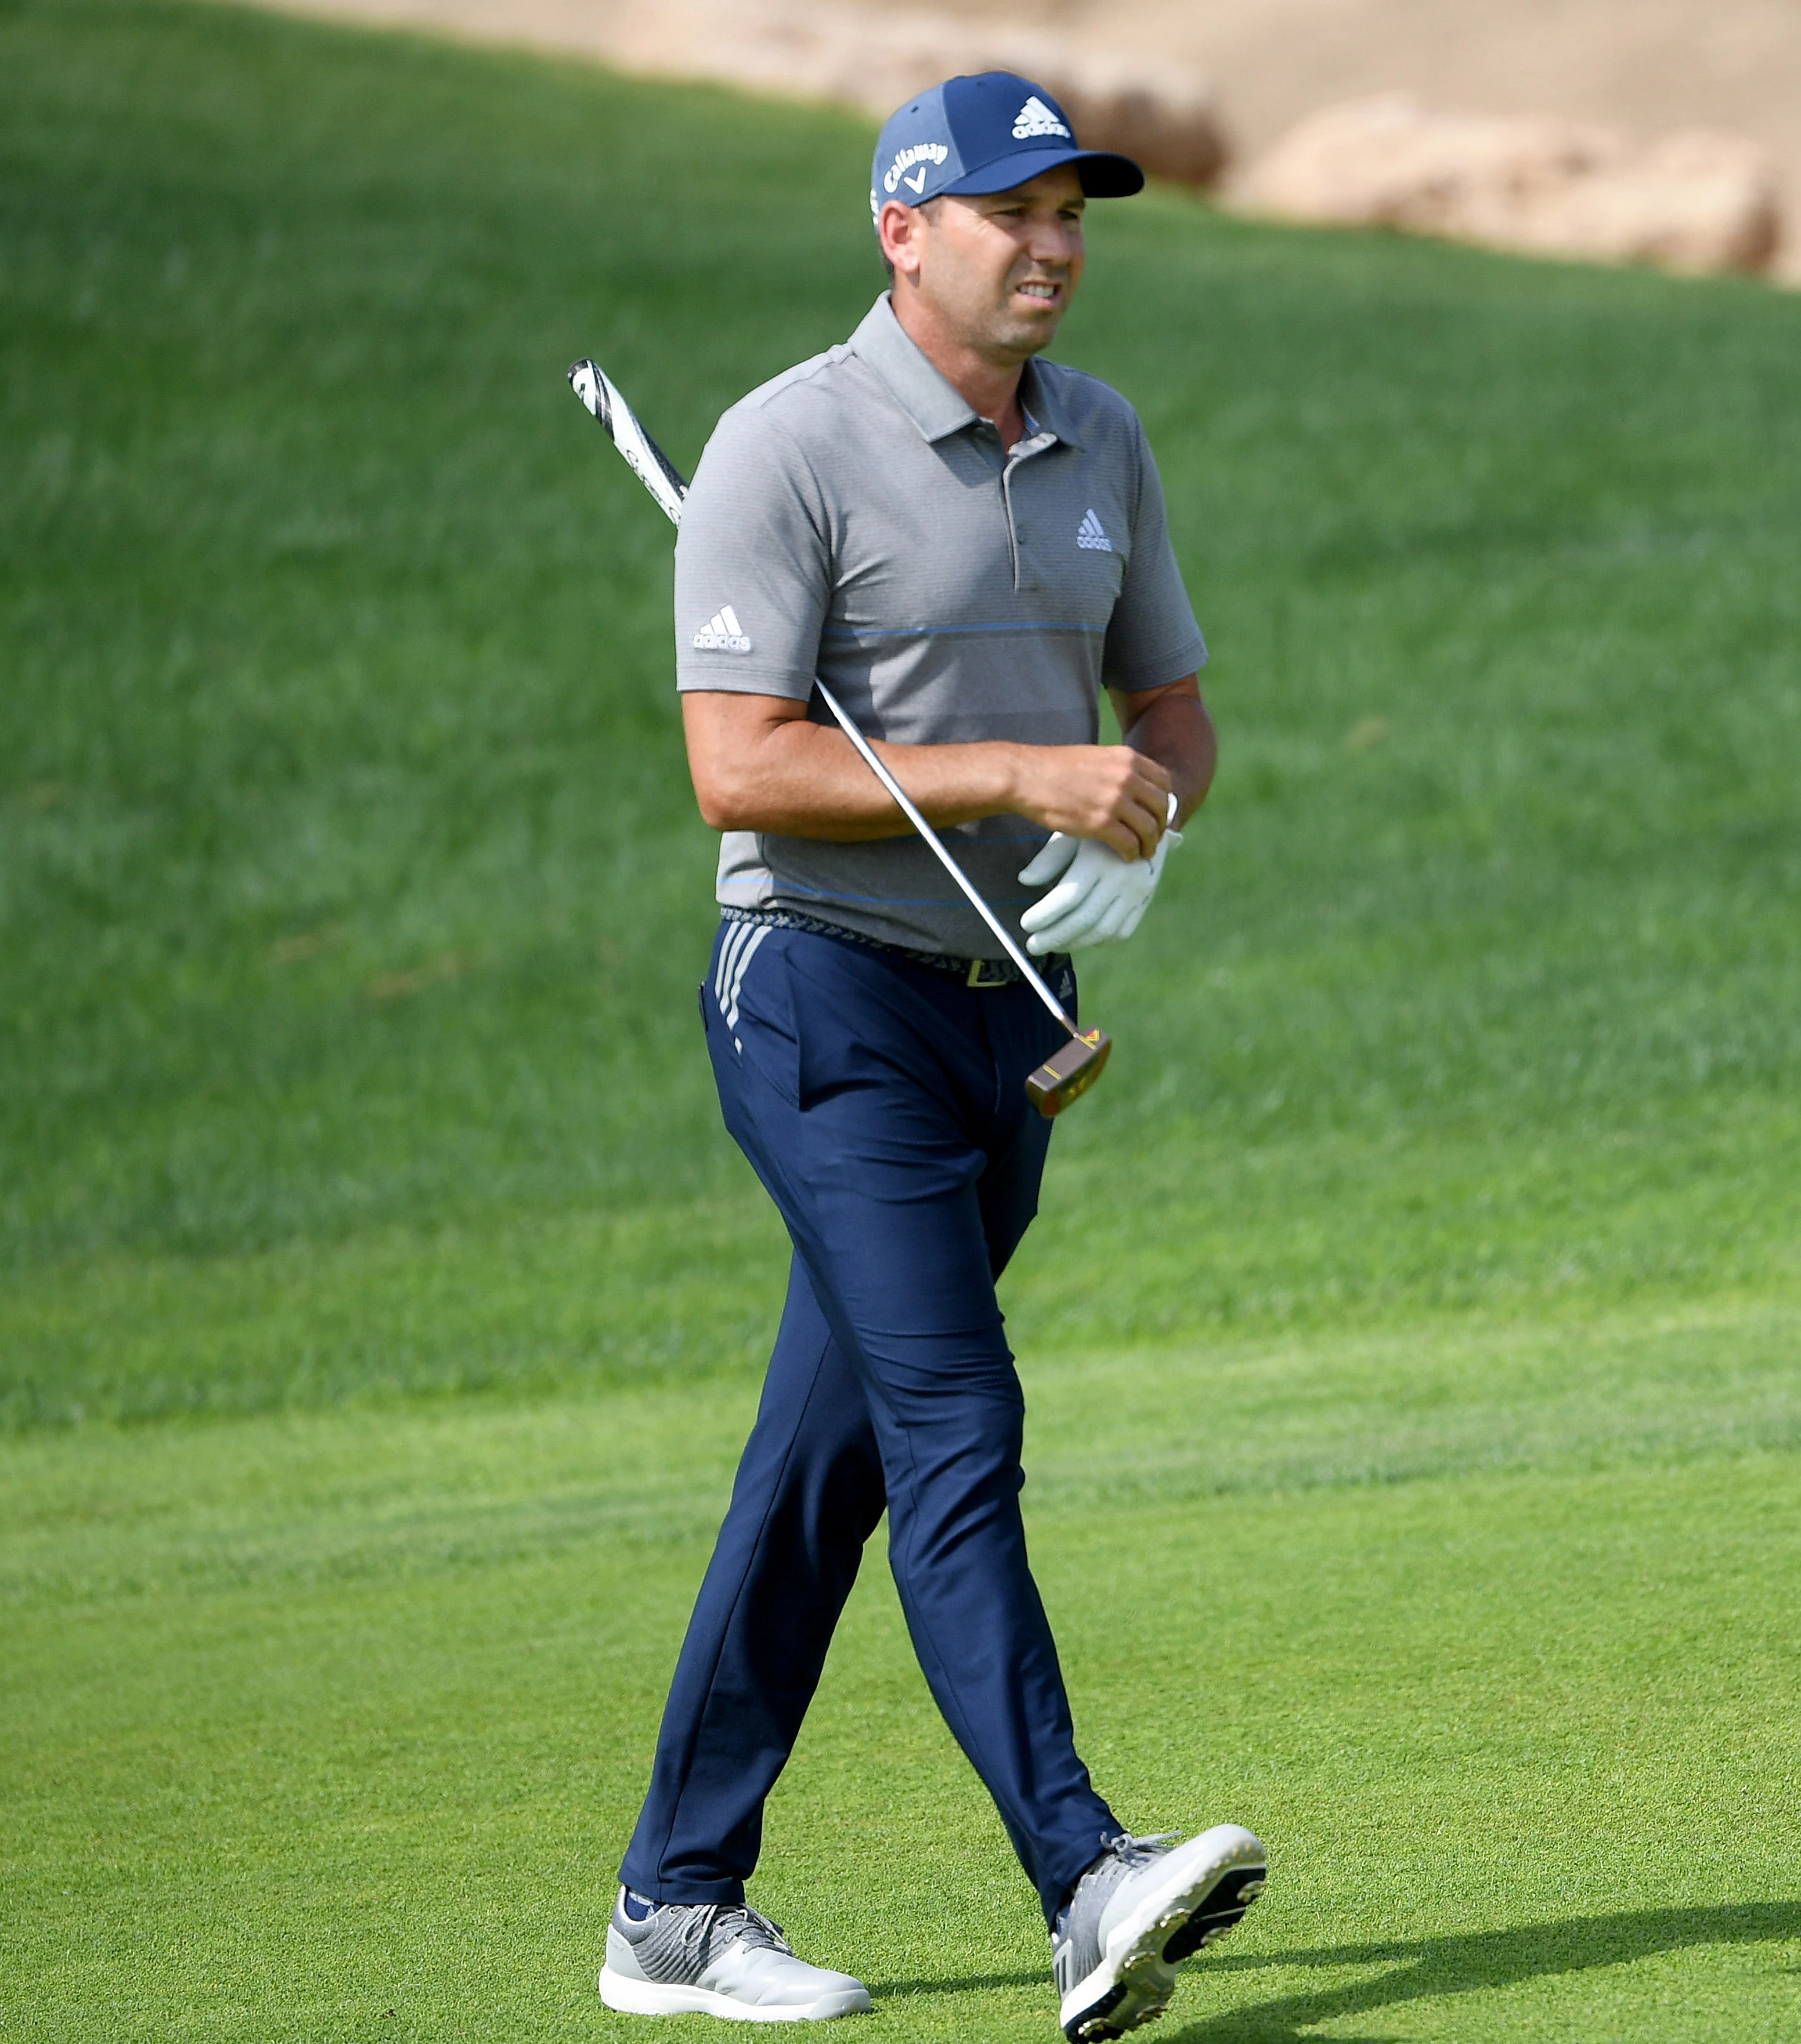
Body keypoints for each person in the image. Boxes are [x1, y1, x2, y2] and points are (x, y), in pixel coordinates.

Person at [594, 71, 1259, 2041]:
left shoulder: (1099, 437)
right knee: (958, 1417)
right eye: (1013, 211)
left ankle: (673, 1903)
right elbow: (742, 764)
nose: (1055, 243)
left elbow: (1176, 708)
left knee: (831, 1460)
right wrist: (1013, 769)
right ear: (905, 229)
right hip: (823, 1001)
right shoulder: (782, 446)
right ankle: (1086, 1872)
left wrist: (1144, 816)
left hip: (1010, 1014)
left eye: (1075, 212)